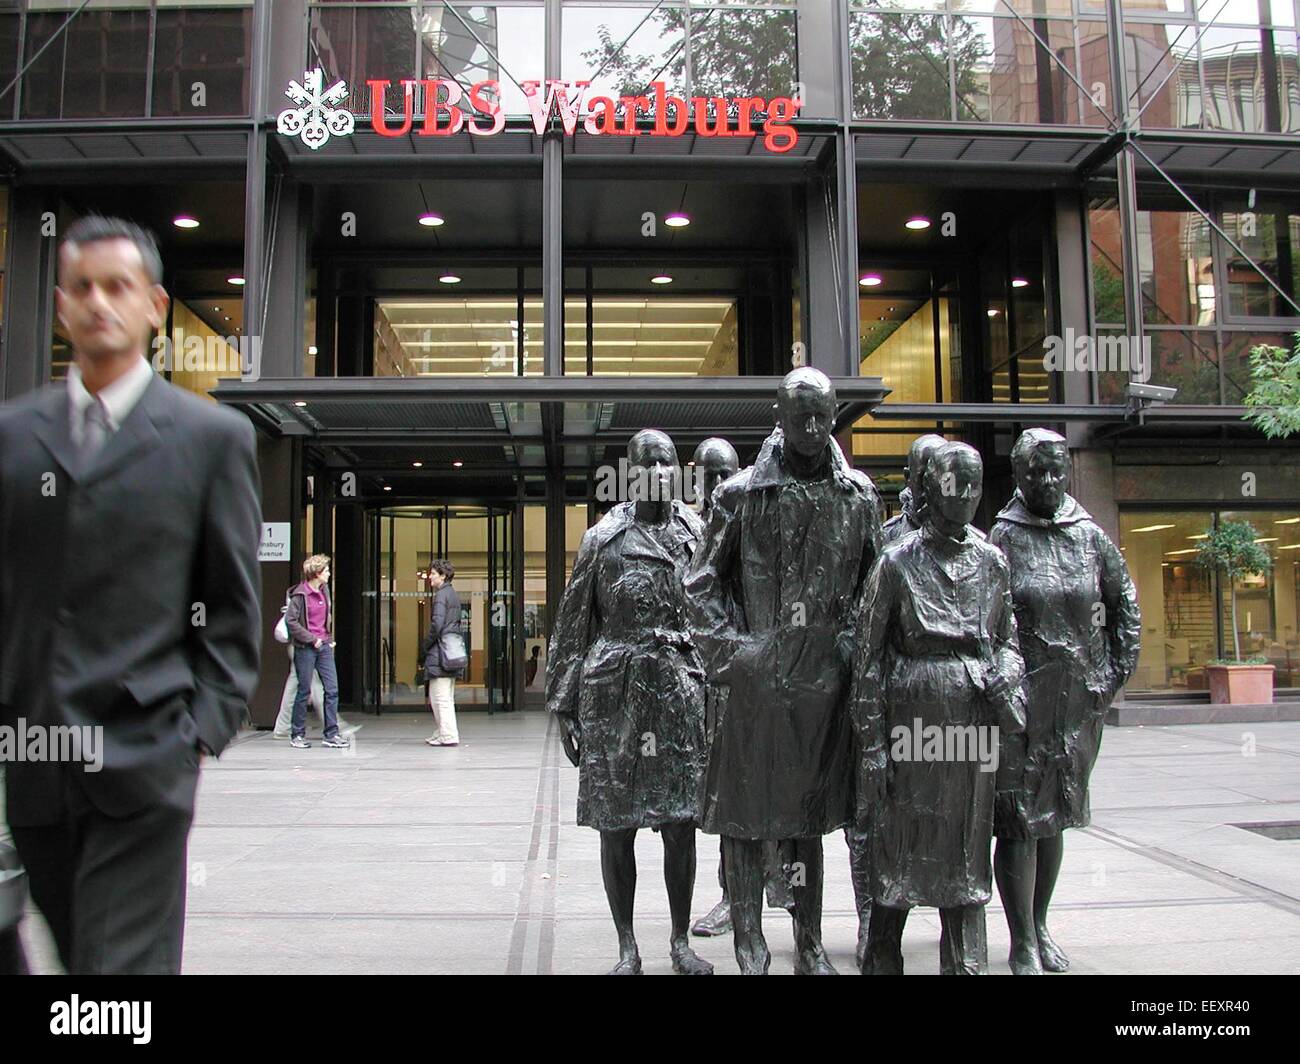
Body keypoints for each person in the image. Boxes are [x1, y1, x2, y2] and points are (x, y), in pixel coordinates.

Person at [0, 215, 261, 973]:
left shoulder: (208, 438)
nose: (98, 303)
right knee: (86, 960)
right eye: (81, 288)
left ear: (154, 305)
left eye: (117, 287)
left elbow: (233, 603)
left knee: (120, 969)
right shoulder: (14, 438)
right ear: (59, 306)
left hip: (146, 757)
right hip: (36, 764)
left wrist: (198, 733)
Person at [685, 368, 882, 975]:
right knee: (745, 820)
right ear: (781, 415)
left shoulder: (858, 497)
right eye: (802, 418)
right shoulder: (739, 495)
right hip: (755, 686)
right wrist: (735, 656)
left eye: (823, 416)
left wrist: (849, 651)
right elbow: (701, 584)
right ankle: (750, 941)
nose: (815, 428)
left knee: (808, 822)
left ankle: (810, 939)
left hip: (824, 690)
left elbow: (875, 590)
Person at [851, 442, 1026, 975]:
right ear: (929, 488)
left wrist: (1007, 672)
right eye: (954, 483)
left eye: (975, 484)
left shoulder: (992, 561)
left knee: (966, 853)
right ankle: (883, 953)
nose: (966, 495)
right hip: (911, 720)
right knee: (899, 849)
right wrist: (875, 747)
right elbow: (867, 659)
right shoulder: (896, 561)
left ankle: (965, 962)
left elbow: (1010, 641)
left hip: (972, 727)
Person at [547, 430, 713, 975]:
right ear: (631, 472)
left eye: (668, 463)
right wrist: (565, 706)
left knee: (680, 823)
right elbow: (573, 624)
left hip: (679, 692)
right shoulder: (603, 538)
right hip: (615, 694)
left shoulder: (698, 532)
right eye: (649, 464)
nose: (659, 473)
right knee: (616, 825)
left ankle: (680, 940)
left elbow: (720, 613)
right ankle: (626, 945)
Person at [990, 428, 1140, 974]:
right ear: (1018, 475)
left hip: (1076, 709)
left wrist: (1106, 684)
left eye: (1056, 470)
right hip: (1020, 706)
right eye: (1036, 472)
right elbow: (988, 616)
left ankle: (1042, 923)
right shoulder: (1001, 538)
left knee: (1054, 818)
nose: (1048, 480)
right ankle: (1021, 940)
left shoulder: (1091, 537)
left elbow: (1125, 613)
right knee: (1017, 821)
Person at [284, 555, 348, 749]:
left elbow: (325, 617)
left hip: (325, 646)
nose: (329, 573)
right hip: (306, 648)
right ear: (317, 573)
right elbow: (291, 621)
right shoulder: (299, 594)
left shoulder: (324, 590)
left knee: (332, 689)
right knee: (304, 690)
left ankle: (331, 734)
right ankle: (297, 734)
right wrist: (312, 639)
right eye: (326, 571)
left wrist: (327, 638)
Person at [423, 560, 464, 747]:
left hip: (440, 652)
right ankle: (442, 732)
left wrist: (426, 644)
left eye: (432, 574)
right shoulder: (453, 594)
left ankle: (447, 735)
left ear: (443, 576)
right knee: (444, 695)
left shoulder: (441, 596)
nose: (429, 577)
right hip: (451, 649)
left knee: (440, 697)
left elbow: (437, 624)